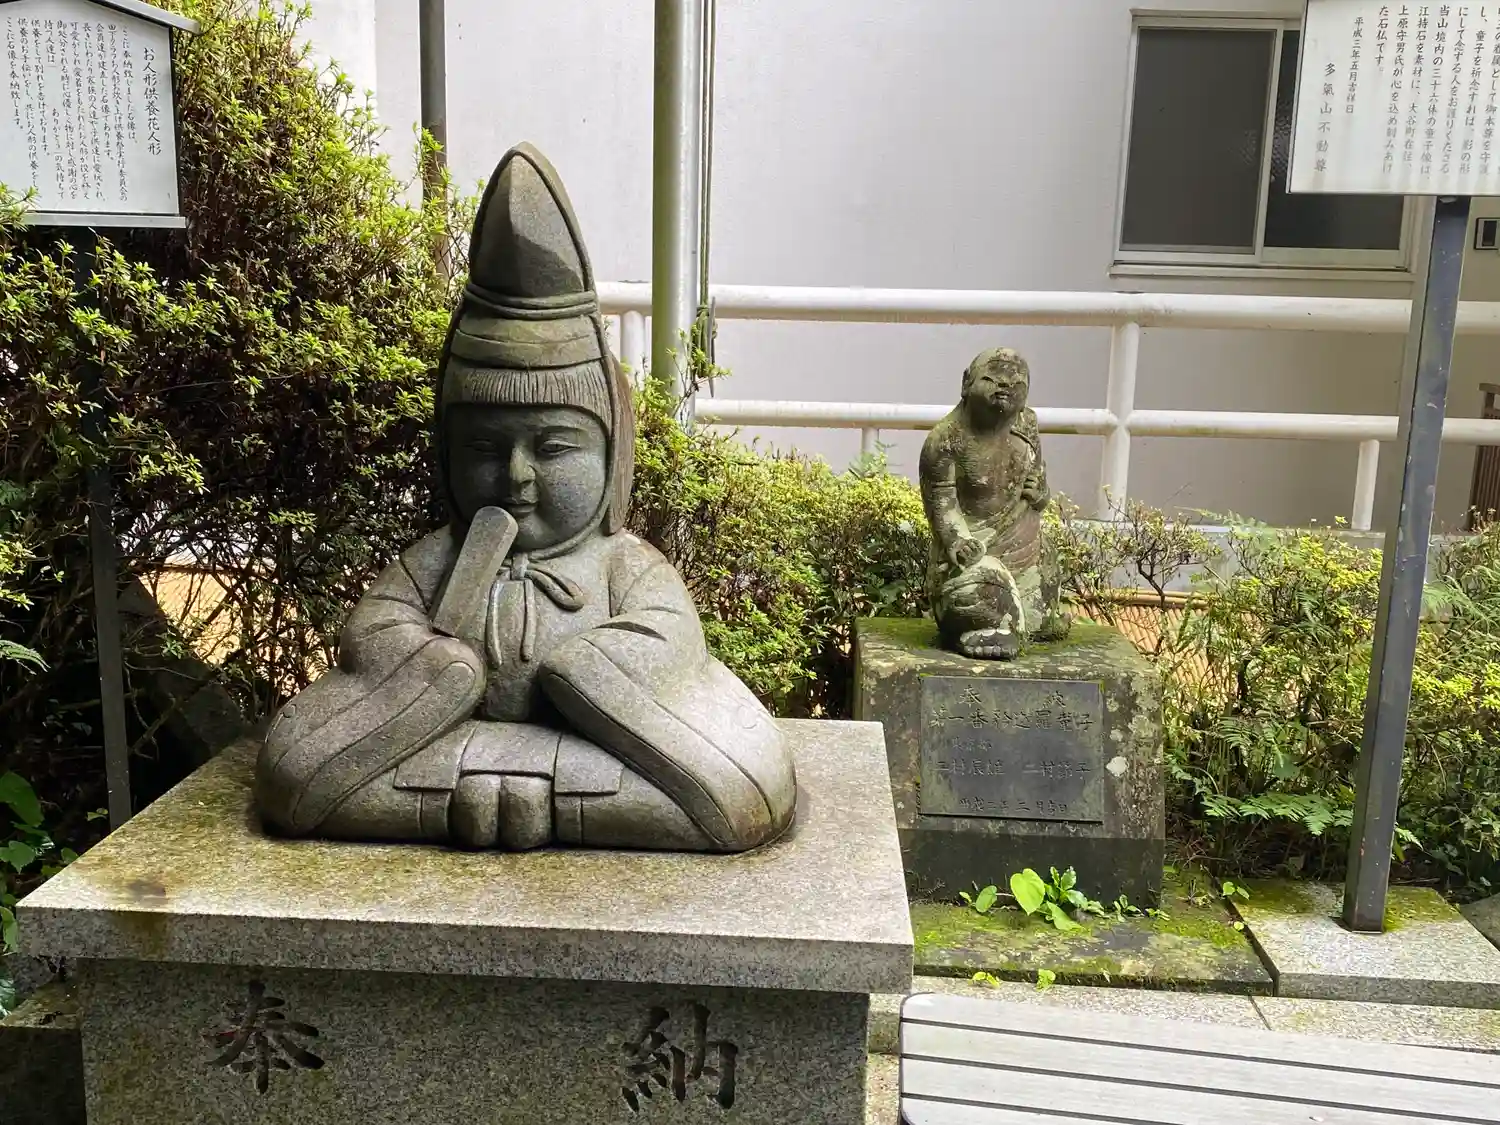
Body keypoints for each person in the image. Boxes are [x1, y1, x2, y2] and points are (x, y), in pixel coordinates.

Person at [256, 144, 796, 853]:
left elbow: (668, 640)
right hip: (449, 747)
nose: (516, 475)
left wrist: (585, 671)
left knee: (743, 792)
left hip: (590, 751)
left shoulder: (622, 564)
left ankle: (533, 803)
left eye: (554, 447)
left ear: (611, 456)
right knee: (292, 775)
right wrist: (437, 668)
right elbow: (376, 630)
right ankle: (503, 804)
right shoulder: (438, 559)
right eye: (485, 448)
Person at [920, 347, 1070, 660]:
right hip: (975, 554)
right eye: (991, 380)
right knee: (976, 592)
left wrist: (1040, 494)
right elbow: (942, 505)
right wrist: (959, 542)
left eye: (1017, 385)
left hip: (1025, 548)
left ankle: (1023, 621)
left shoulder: (1026, 424)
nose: (1005, 387)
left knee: (1042, 605)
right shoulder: (945, 440)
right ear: (966, 383)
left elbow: (1036, 478)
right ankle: (990, 627)